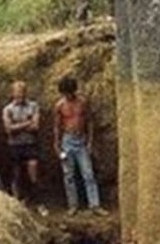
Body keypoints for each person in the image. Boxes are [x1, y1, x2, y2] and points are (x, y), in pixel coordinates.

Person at [53, 76, 108, 216]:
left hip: (81, 140)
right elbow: (57, 126)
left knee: (88, 174)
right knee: (69, 175)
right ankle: (73, 206)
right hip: (67, 141)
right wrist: (57, 144)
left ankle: (94, 205)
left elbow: (89, 122)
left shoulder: (82, 102)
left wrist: (90, 142)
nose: (68, 96)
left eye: (70, 92)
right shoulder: (60, 105)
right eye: (65, 93)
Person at [2, 81, 48, 216]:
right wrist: (27, 123)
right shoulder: (8, 109)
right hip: (14, 146)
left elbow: (36, 127)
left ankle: (39, 203)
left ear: (26, 92)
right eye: (17, 92)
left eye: (22, 92)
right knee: (16, 175)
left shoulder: (33, 106)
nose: (20, 95)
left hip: (30, 145)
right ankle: (18, 204)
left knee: (33, 173)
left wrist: (17, 126)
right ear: (12, 93)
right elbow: (8, 130)